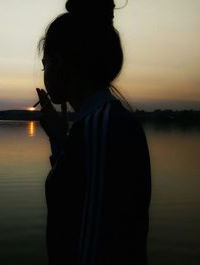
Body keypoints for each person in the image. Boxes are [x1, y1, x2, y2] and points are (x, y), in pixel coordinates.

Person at [35, 1, 152, 265]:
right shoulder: (97, 125)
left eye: (44, 63)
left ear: (58, 61)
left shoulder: (104, 128)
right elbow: (80, 194)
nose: (44, 73)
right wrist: (59, 139)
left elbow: (98, 246)